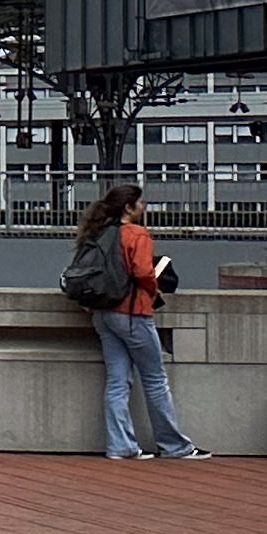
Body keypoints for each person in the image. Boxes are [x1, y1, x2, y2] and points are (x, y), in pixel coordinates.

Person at [77, 184, 214, 461]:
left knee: (117, 381)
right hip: (133, 313)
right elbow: (142, 272)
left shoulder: (100, 233)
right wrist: (154, 289)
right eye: (141, 203)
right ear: (129, 207)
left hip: (103, 313)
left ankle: (120, 446)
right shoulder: (136, 234)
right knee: (155, 380)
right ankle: (174, 445)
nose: (144, 207)